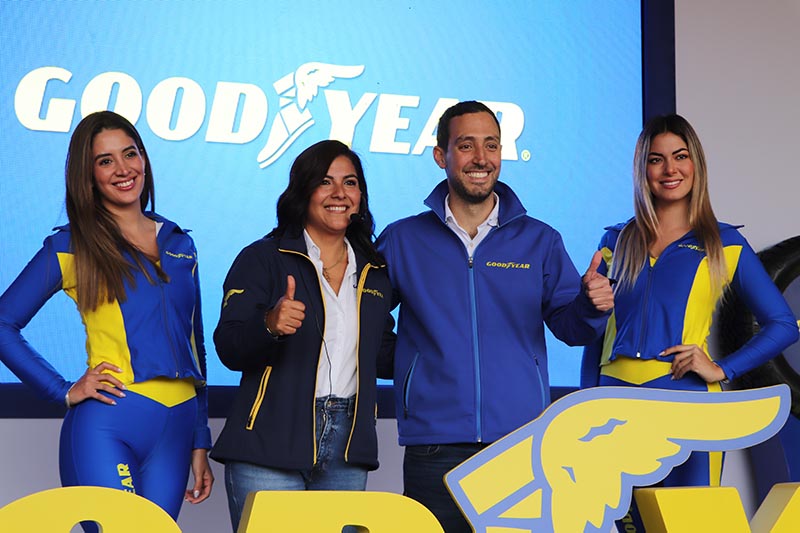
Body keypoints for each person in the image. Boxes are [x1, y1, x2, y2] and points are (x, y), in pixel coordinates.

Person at [375, 100, 615, 532]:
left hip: (519, 443)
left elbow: (570, 326)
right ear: (440, 156)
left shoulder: (539, 240)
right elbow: (362, 320)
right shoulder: (402, 239)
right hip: (434, 447)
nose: (481, 158)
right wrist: (411, 364)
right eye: (466, 146)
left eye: (491, 145)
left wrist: (590, 306)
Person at [580, 113, 799, 529]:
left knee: (690, 525)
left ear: (696, 164)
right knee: (625, 526)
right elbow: (597, 338)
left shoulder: (723, 241)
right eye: (656, 159)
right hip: (615, 408)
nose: (669, 169)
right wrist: (586, 404)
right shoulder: (614, 240)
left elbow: (782, 324)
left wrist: (721, 368)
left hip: (691, 407)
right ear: (642, 168)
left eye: (680, 156)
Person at [0, 111, 214, 530]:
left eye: (130, 154)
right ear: (89, 174)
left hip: (177, 427)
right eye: (105, 161)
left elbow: (196, 345)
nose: (123, 169)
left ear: (144, 160)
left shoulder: (180, 242)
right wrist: (61, 390)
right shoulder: (71, 245)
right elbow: (3, 323)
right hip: (110, 423)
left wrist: (200, 439)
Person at [211, 139, 396, 531]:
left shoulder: (374, 270)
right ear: (302, 192)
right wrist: (269, 325)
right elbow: (228, 345)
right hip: (268, 441)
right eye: (325, 182)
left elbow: (383, 353)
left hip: (347, 446)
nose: (339, 194)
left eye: (350, 183)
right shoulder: (263, 257)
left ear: (361, 196)